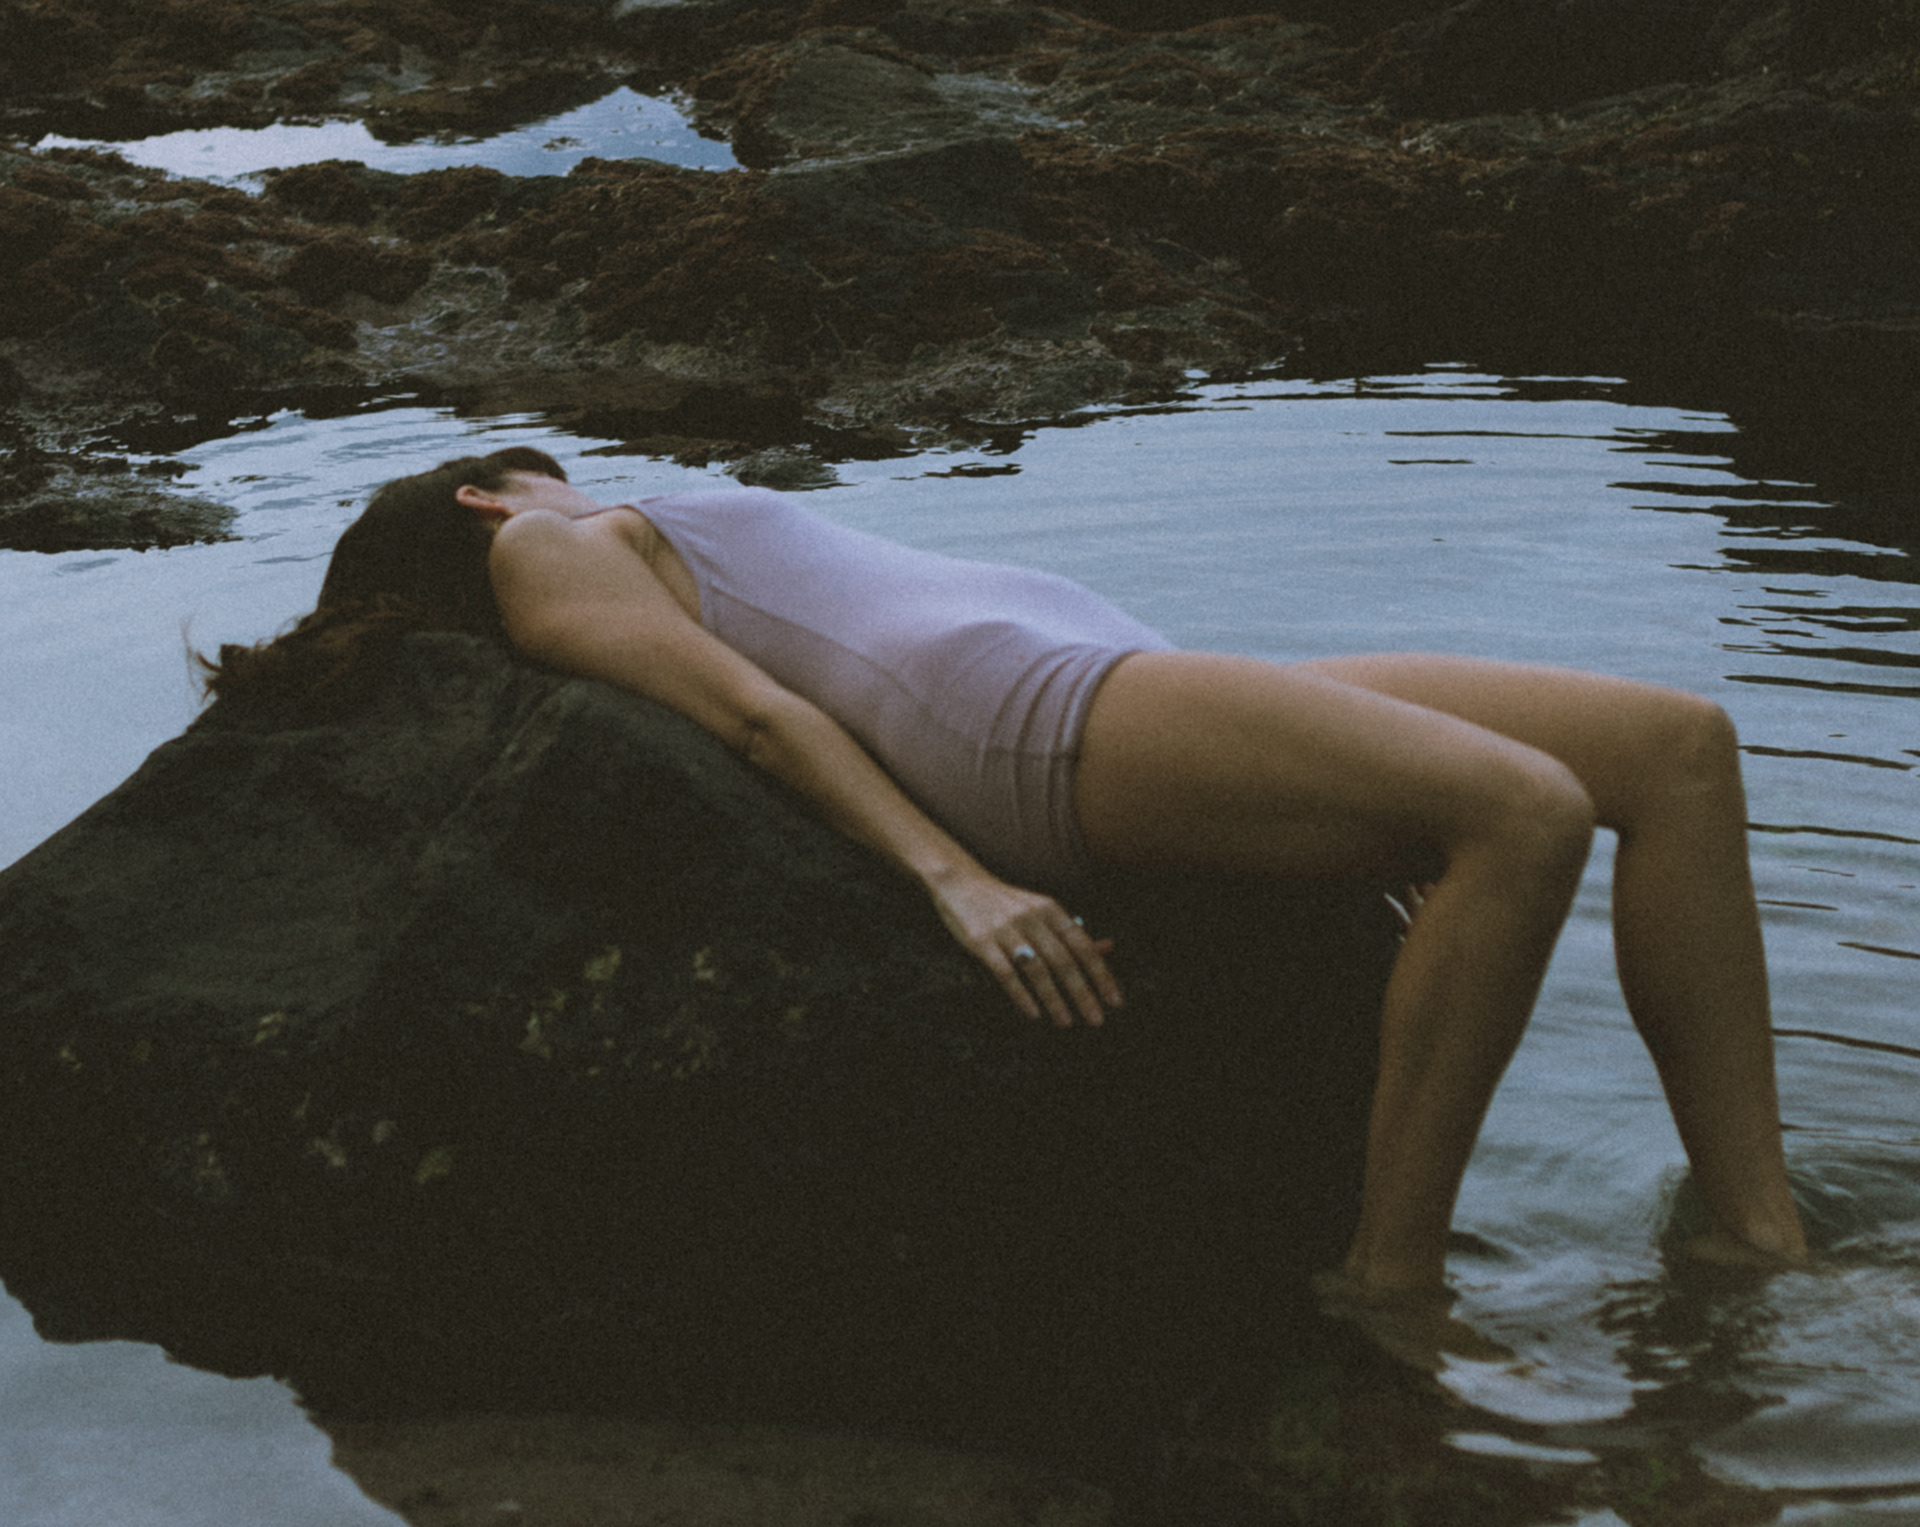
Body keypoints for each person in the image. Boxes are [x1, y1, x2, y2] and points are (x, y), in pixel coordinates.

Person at [207, 444, 1810, 1311]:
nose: (568, 466)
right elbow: (757, 717)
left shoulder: (602, 537)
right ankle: (1388, 1287)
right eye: (537, 460)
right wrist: (954, 877)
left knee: (1673, 749)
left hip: (1126, 682)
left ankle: (1756, 1238)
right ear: (485, 495)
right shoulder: (536, 543)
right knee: (1524, 814)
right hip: (1029, 724)